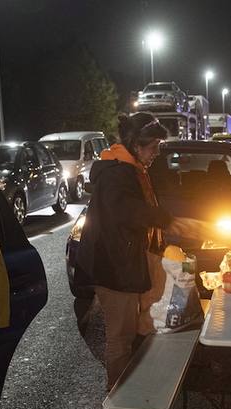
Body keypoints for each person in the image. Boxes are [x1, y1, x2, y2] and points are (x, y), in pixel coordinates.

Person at [71, 113, 189, 390]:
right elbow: (125, 209)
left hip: (126, 262)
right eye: (155, 146)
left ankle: (132, 385)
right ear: (137, 145)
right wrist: (166, 219)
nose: (158, 152)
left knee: (136, 329)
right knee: (120, 337)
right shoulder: (116, 172)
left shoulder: (132, 169)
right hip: (114, 267)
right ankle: (120, 397)